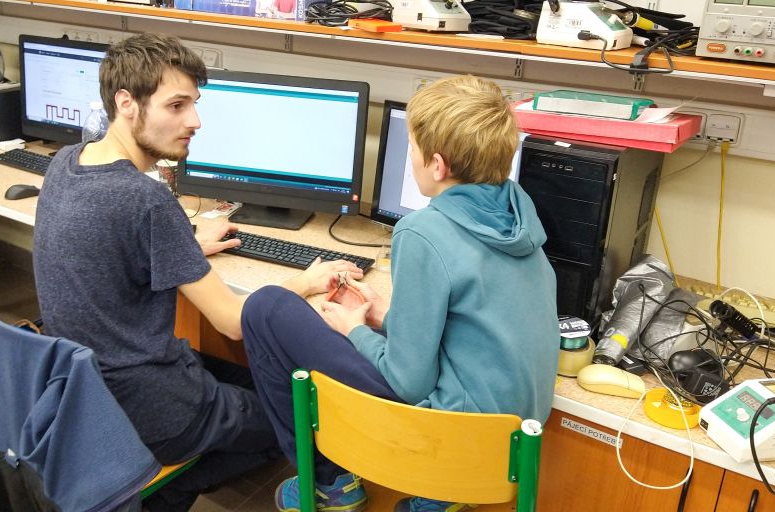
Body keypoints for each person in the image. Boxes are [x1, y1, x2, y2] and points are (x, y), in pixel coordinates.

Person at [32, 32, 363, 511]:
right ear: (126, 103)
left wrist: (181, 241)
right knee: (298, 415)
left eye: (194, 104)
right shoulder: (146, 201)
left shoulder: (67, 162)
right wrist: (306, 281)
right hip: (153, 409)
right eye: (176, 106)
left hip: (88, 396)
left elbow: (111, 235)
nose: (195, 121)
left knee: (254, 379)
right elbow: (233, 321)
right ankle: (167, 488)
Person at [240, 75, 560, 512]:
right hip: (507, 445)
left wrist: (354, 330)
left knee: (265, 308)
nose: (410, 157)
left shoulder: (423, 231)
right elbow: (471, 332)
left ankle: (330, 483)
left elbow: (408, 382)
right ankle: (437, 498)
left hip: (448, 437)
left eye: (412, 148)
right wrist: (385, 318)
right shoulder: (519, 216)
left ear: (437, 165)